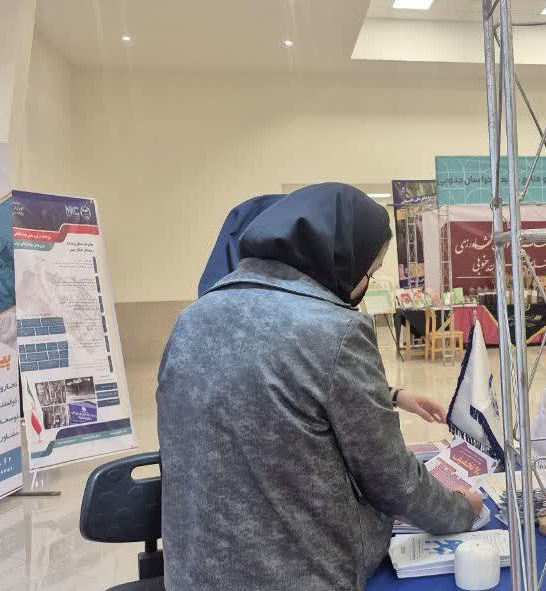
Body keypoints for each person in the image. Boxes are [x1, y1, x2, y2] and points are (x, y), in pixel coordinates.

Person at [158, 183, 484, 591]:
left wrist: (390, 396)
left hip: (194, 573)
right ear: (342, 258)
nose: (366, 284)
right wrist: (461, 510)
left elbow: (269, 393)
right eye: (370, 271)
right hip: (297, 573)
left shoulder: (192, 317)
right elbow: (391, 480)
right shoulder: (334, 328)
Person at [197, 191, 446, 423]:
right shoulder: (329, 329)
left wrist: (393, 395)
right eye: (370, 272)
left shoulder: (198, 323)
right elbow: (374, 445)